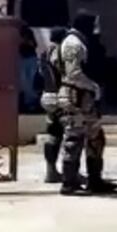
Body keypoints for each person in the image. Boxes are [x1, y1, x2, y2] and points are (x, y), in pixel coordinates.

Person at [57, 11, 117, 195]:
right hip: (76, 97)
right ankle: (69, 182)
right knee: (74, 139)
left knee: (95, 139)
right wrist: (93, 86)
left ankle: (94, 180)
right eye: (94, 24)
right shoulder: (73, 43)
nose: (96, 29)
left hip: (84, 98)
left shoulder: (81, 41)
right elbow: (74, 73)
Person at [38, 27, 68, 184]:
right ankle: (60, 172)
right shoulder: (58, 52)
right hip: (58, 95)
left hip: (47, 94)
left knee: (52, 133)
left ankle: (51, 170)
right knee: (61, 133)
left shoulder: (44, 52)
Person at [17, 24, 39, 112]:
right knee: (24, 80)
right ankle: (30, 100)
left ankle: (30, 102)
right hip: (22, 58)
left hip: (30, 57)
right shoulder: (16, 34)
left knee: (30, 80)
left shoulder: (29, 33)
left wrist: (28, 42)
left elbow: (35, 44)